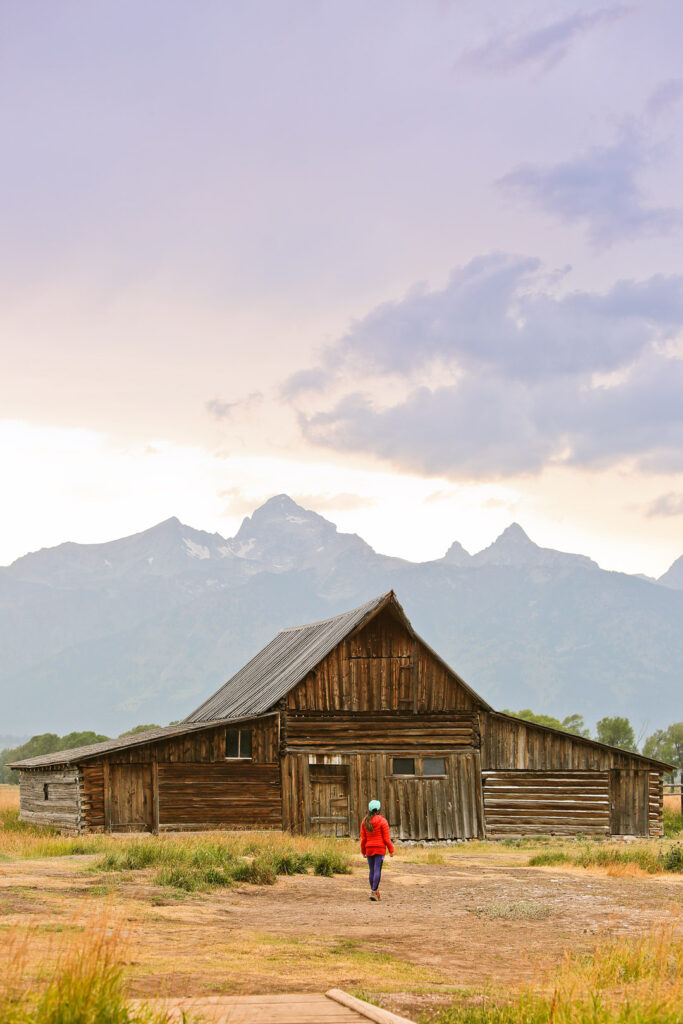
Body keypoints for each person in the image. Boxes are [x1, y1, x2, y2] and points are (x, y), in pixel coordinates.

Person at [360, 798, 394, 900]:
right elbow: (386, 839)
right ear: (379, 809)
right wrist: (391, 850)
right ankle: (374, 891)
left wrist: (363, 851)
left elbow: (363, 839)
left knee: (371, 870)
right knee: (377, 869)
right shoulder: (383, 821)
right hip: (380, 849)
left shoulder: (365, 822)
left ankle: (374, 891)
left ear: (369, 809)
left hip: (369, 849)